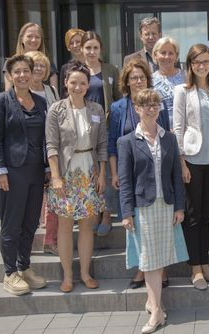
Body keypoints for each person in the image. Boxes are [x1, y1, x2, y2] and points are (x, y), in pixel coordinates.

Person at [118, 88, 187, 333]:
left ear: (160, 108)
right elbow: (125, 181)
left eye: (154, 104)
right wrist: (126, 213)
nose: (150, 109)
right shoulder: (126, 141)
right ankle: (157, 311)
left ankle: (153, 303)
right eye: (145, 105)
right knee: (148, 259)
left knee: (156, 260)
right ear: (136, 109)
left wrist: (179, 206)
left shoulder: (169, 138)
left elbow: (176, 176)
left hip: (166, 206)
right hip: (143, 207)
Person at [46, 60, 107, 293]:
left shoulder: (96, 110)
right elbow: (51, 145)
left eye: (82, 83)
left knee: (86, 226)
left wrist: (102, 174)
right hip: (66, 173)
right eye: (73, 82)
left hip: (89, 173)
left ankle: (84, 273)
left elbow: (102, 145)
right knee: (64, 225)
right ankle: (68, 276)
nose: (78, 87)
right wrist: (56, 177)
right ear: (65, 83)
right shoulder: (56, 110)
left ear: (88, 84)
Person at [109, 59, 169, 290]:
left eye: (141, 77)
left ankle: (158, 270)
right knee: (137, 224)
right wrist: (115, 173)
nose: (137, 81)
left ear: (147, 79)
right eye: (133, 77)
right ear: (126, 81)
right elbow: (113, 144)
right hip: (129, 174)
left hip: (153, 171)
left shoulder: (156, 103)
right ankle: (142, 267)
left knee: (158, 223)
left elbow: (165, 136)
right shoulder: (117, 108)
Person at [173, 43, 209, 291]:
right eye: (197, 62)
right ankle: (195, 268)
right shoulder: (182, 91)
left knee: (207, 217)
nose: (202, 66)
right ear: (190, 65)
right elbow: (178, 128)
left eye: (205, 61)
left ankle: (205, 264)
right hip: (192, 162)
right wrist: (182, 162)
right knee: (193, 217)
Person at [0, 54, 48, 295]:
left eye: (26, 70)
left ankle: (24, 267)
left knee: (30, 223)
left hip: (37, 172)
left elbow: (47, 138)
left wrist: (48, 168)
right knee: (11, 224)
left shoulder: (40, 101)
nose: (22, 75)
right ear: (9, 75)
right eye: (17, 71)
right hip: (13, 172)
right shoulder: (1, 101)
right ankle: (10, 273)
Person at [81, 31, 122, 236]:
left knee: (104, 173)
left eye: (95, 47)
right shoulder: (76, 70)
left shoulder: (110, 69)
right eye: (88, 47)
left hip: (105, 128)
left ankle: (106, 214)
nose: (91, 51)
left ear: (100, 49)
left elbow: (118, 99)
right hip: (82, 130)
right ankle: (93, 213)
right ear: (82, 49)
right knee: (89, 172)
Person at [26, 50, 60, 256]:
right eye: (34, 65)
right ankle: (27, 241)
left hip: (49, 149)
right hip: (28, 152)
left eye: (42, 65)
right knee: (31, 199)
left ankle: (50, 240)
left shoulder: (52, 91)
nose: (38, 69)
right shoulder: (20, 91)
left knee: (53, 197)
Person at [3, 22, 58, 90]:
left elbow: (54, 94)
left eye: (37, 37)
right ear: (22, 38)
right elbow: (8, 93)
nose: (33, 40)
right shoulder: (11, 63)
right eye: (29, 36)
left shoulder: (48, 63)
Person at [152, 37, 186, 129]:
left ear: (176, 56)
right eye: (163, 53)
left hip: (185, 131)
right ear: (155, 55)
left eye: (171, 53)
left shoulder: (187, 77)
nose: (167, 57)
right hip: (160, 133)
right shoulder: (149, 81)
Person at [60, 28, 86, 97]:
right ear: (68, 47)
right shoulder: (65, 68)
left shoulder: (94, 64)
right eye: (71, 43)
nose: (75, 45)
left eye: (78, 42)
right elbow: (63, 94)